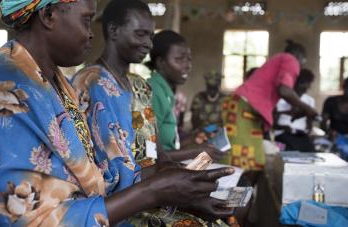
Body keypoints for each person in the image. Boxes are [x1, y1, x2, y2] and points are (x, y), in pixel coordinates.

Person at [0, 0, 234, 226]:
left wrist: (173, 186)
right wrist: (155, 191)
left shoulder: (51, 82)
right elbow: (29, 217)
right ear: (48, 15)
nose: (91, 34)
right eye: (87, 20)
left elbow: (104, 176)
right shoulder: (6, 92)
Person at [71, 0, 234, 225]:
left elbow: (158, 156)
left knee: (225, 218)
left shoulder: (140, 87)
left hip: (155, 192)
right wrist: (179, 193)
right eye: (140, 35)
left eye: (150, 36)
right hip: (120, 206)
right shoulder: (91, 83)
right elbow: (113, 176)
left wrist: (194, 183)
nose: (148, 44)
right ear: (113, 31)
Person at [221, 39, 317, 171]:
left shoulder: (279, 59)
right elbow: (284, 90)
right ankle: (230, 189)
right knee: (240, 162)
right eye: (303, 62)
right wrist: (308, 108)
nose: (299, 68)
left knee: (256, 161)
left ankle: (245, 190)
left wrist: (297, 108)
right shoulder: (290, 60)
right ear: (300, 57)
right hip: (242, 108)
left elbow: (279, 92)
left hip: (244, 108)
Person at [146, 30, 225, 161]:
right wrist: (197, 152)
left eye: (189, 59)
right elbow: (149, 153)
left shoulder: (167, 93)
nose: (187, 65)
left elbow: (167, 146)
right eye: (179, 59)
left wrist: (193, 137)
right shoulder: (153, 92)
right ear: (161, 63)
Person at [273, 68, 316, 152]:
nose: (305, 87)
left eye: (307, 84)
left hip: (301, 137)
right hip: (280, 136)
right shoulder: (279, 99)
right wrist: (285, 127)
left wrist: (306, 131)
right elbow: (273, 125)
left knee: (311, 154)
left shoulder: (309, 100)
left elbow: (309, 126)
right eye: (301, 83)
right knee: (282, 151)